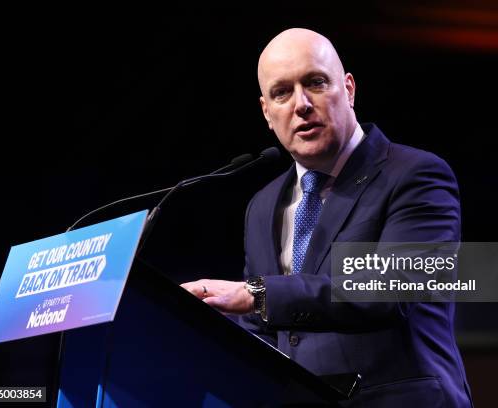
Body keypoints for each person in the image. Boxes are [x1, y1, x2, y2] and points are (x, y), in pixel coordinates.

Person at [182, 28, 473, 407]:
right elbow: (263, 334)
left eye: (315, 83)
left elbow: (393, 289)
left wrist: (256, 293)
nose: (300, 104)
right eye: (282, 92)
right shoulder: (263, 206)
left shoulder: (415, 175)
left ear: (349, 90)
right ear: (267, 112)